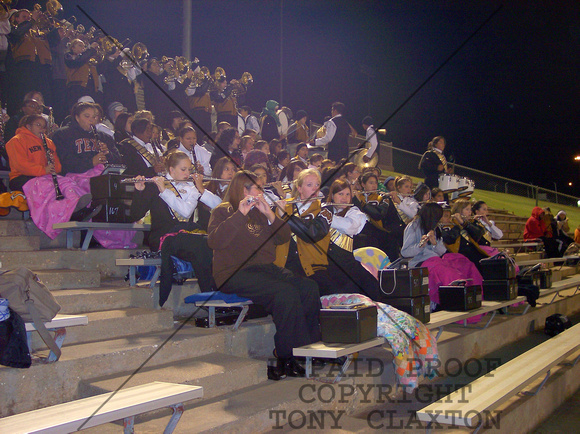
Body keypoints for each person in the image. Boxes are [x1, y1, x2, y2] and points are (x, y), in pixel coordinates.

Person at [208, 170, 321, 380]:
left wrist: (270, 214)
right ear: (244, 189)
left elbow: (283, 237)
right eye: (259, 187)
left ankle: (308, 350)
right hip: (234, 272)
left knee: (308, 288)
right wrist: (239, 214)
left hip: (264, 269)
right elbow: (215, 241)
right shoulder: (223, 211)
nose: (263, 191)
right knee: (285, 293)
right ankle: (286, 356)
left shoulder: (260, 211)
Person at [131, 152, 222, 306]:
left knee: (208, 244)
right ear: (171, 170)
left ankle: (213, 295)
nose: (188, 174)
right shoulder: (155, 185)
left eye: (189, 170)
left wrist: (201, 190)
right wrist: (139, 191)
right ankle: (211, 297)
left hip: (185, 236)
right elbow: (135, 214)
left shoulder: (191, 188)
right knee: (199, 245)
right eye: (183, 169)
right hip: (163, 238)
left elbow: (212, 207)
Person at [401, 202, 483, 311]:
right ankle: (453, 303)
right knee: (446, 272)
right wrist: (420, 245)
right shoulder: (414, 226)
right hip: (420, 262)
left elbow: (441, 252)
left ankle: (472, 298)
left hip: (435, 259)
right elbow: (405, 252)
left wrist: (434, 243)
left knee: (465, 265)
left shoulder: (435, 227)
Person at [274, 169, 336, 296]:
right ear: (299, 188)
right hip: (285, 265)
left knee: (312, 289)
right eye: (309, 185)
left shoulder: (325, 208)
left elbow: (312, 234)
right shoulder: (284, 206)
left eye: (317, 185)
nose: (315, 189)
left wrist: (286, 217)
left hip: (313, 267)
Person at [325, 179, 382, 300]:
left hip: (348, 263)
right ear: (332, 196)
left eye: (347, 194)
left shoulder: (353, 212)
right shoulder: (325, 209)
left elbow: (350, 227)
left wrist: (325, 218)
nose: (344, 198)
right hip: (327, 264)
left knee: (370, 284)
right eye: (340, 194)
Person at [51, 102, 122, 175]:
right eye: (87, 116)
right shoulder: (62, 134)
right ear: (77, 118)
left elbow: (119, 163)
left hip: (101, 179)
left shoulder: (105, 137)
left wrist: (107, 153)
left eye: (94, 117)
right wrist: (91, 162)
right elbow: (65, 163)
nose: (91, 120)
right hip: (72, 179)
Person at [353, 172, 403, 262]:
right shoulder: (358, 196)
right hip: (363, 232)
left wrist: (362, 203)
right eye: (371, 183)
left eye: (375, 183)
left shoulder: (382, 197)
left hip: (381, 232)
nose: (374, 186)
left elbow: (378, 215)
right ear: (363, 184)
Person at [441, 199, 489, 269]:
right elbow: (450, 239)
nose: (470, 212)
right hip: (462, 257)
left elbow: (479, 233)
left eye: (470, 210)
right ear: (459, 211)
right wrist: (459, 224)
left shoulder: (470, 223)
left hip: (474, 254)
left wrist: (465, 224)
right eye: (467, 209)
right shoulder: (450, 224)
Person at [196, 156, 236, 231]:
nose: (231, 173)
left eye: (233, 170)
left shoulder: (236, 190)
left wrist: (202, 190)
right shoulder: (207, 186)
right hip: (202, 229)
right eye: (226, 169)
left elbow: (222, 206)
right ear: (219, 171)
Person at [64, 39, 100, 113]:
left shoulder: (87, 58)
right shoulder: (69, 56)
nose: (83, 48)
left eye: (84, 46)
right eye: (80, 45)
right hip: (76, 88)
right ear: (72, 48)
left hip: (90, 88)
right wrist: (90, 50)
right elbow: (77, 62)